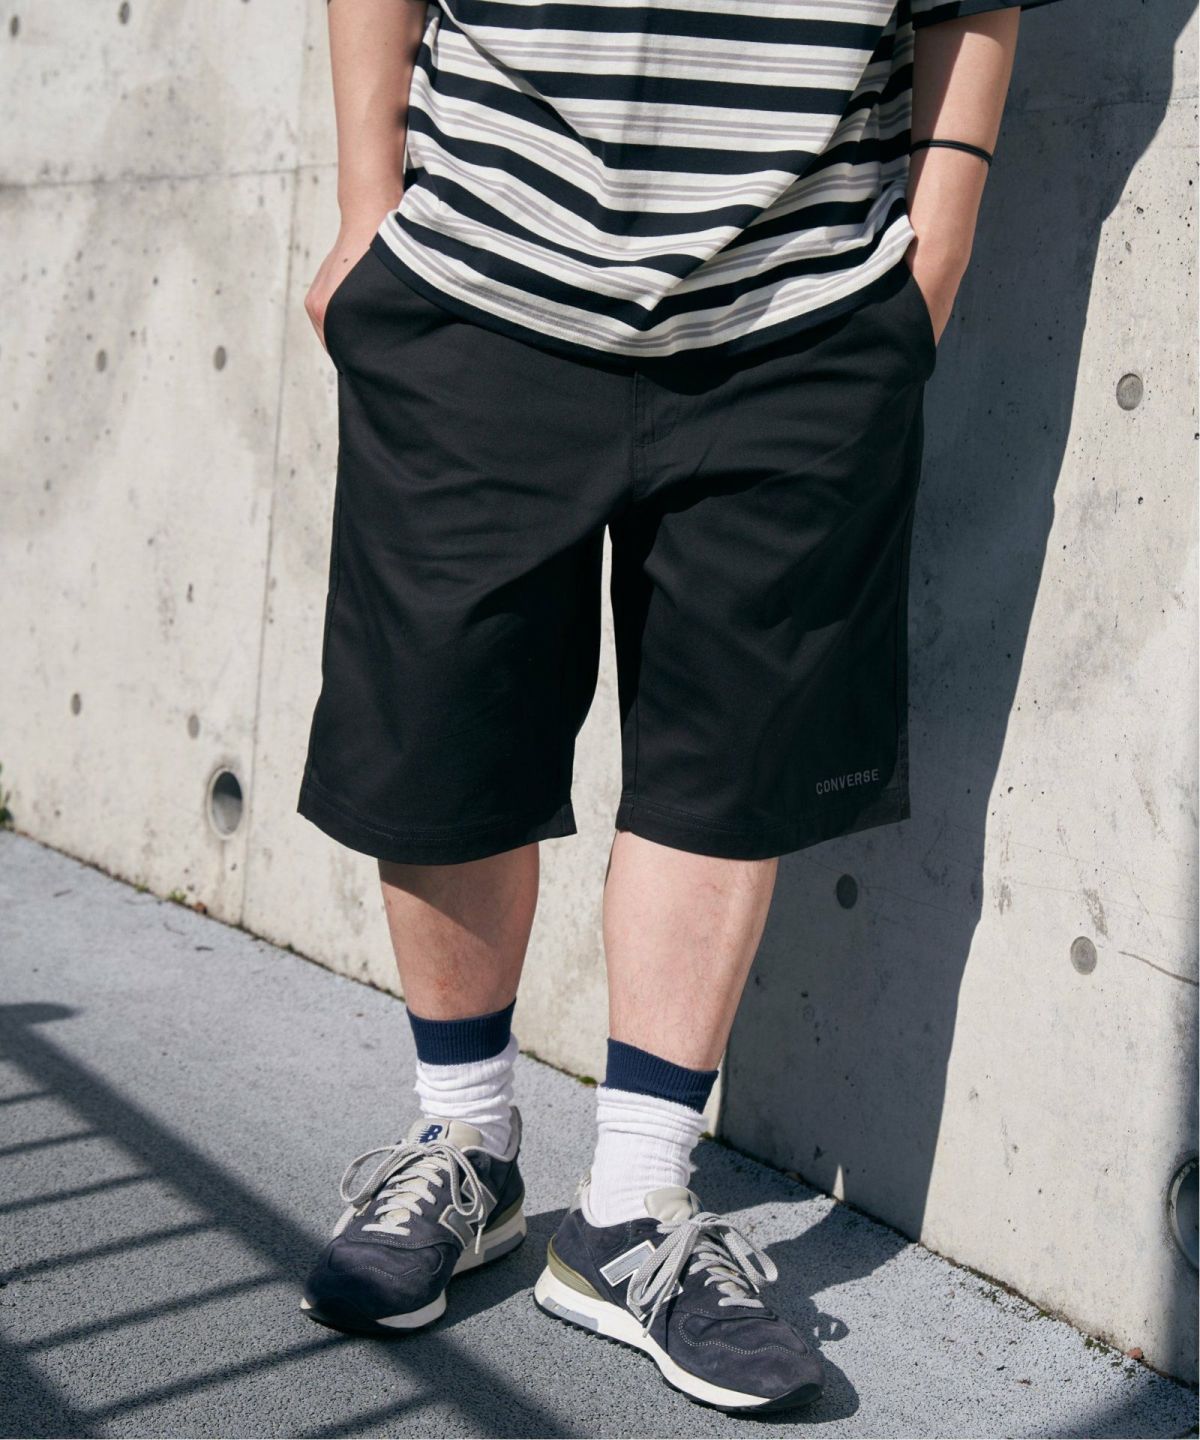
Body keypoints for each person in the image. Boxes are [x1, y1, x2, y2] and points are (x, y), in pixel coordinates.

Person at [295, 0, 1060, 1414]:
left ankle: (634, 1209)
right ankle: (465, 1145)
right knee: (443, 739)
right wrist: (365, 206)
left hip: (799, 311)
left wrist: (932, 260)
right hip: (477, 271)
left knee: (727, 767)